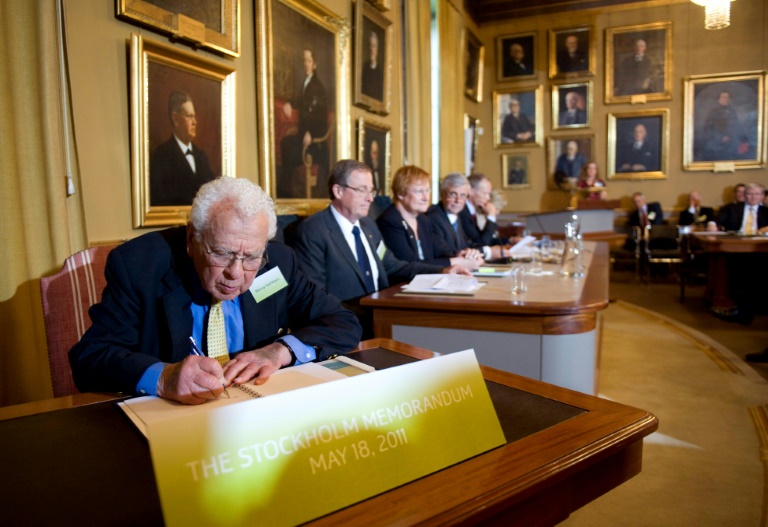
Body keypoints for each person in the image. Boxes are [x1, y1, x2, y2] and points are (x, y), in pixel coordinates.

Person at [69, 178, 361, 404]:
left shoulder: (278, 264)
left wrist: (280, 351)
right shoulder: (140, 266)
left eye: (251, 258)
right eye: (221, 254)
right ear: (191, 239)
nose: (235, 273)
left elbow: (343, 322)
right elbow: (91, 358)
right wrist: (163, 377)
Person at [292, 160, 468, 339]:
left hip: (382, 318)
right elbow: (316, 295)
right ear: (338, 191)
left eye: (371, 191)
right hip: (346, 327)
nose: (370, 198)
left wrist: (442, 270)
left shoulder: (368, 225)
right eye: (362, 190)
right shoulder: (313, 230)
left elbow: (391, 265)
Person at [376, 166, 481, 269]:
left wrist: (462, 255)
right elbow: (409, 265)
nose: (426, 197)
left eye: (427, 191)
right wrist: (455, 262)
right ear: (400, 193)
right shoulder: (389, 222)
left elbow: (441, 252)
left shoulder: (423, 219)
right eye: (419, 191)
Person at [150, 90, 216, 206]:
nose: (194, 122)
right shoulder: (161, 156)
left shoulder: (201, 157)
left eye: (194, 116)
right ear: (176, 119)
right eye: (189, 116)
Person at [279, 47, 329, 199]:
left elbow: (321, 119)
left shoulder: (318, 87)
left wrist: (312, 135)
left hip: (315, 145)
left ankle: (285, 194)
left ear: (314, 64)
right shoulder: (307, 83)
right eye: (304, 61)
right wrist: (289, 103)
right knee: (285, 142)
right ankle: (285, 191)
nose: (306, 64)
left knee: (290, 152)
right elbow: (301, 100)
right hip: (303, 138)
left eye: (309, 60)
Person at [427, 173, 508, 261]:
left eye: (462, 195)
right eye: (453, 194)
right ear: (442, 194)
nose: (458, 201)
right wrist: (488, 252)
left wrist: (488, 250)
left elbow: (466, 245)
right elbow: (446, 253)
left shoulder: (455, 216)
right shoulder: (433, 217)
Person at [461, 173, 509, 248]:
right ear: (471, 191)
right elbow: (481, 243)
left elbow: (485, 239)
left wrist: (509, 240)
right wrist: (491, 217)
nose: (488, 198)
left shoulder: (471, 212)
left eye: (489, 194)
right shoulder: (462, 212)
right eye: (485, 193)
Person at [702, 91, 749, 161]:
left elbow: (737, 126)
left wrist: (744, 139)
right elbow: (707, 129)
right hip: (717, 144)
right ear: (718, 99)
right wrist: (720, 137)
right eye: (723, 97)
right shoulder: (713, 112)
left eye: (728, 97)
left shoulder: (732, 111)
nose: (726, 99)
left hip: (731, 143)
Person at [361, 31, 384, 101]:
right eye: (370, 46)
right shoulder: (364, 69)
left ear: (377, 49)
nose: (371, 49)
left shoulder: (380, 73)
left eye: (373, 46)